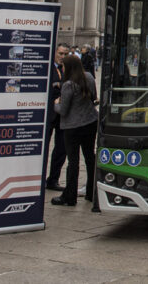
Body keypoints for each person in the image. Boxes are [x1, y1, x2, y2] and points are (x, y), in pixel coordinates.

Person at [51, 54, 98, 207]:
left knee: (73, 162)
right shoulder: (89, 77)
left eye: (63, 66)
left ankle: (69, 196)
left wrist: (55, 103)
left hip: (73, 126)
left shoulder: (69, 85)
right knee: (90, 157)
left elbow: (63, 110)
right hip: (90, 122)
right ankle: (92, 192)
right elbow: (94, 97)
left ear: (68, 67)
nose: (62, 69)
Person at [44, 43, 70, 191]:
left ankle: (53, 179)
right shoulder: (48, 68)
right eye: (60, 54)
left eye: (65, 54)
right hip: (49, 115)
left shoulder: (68, 70)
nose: (62, 57)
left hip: (63, 115)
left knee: (61, 149)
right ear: (55, 53)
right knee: (44, 148)